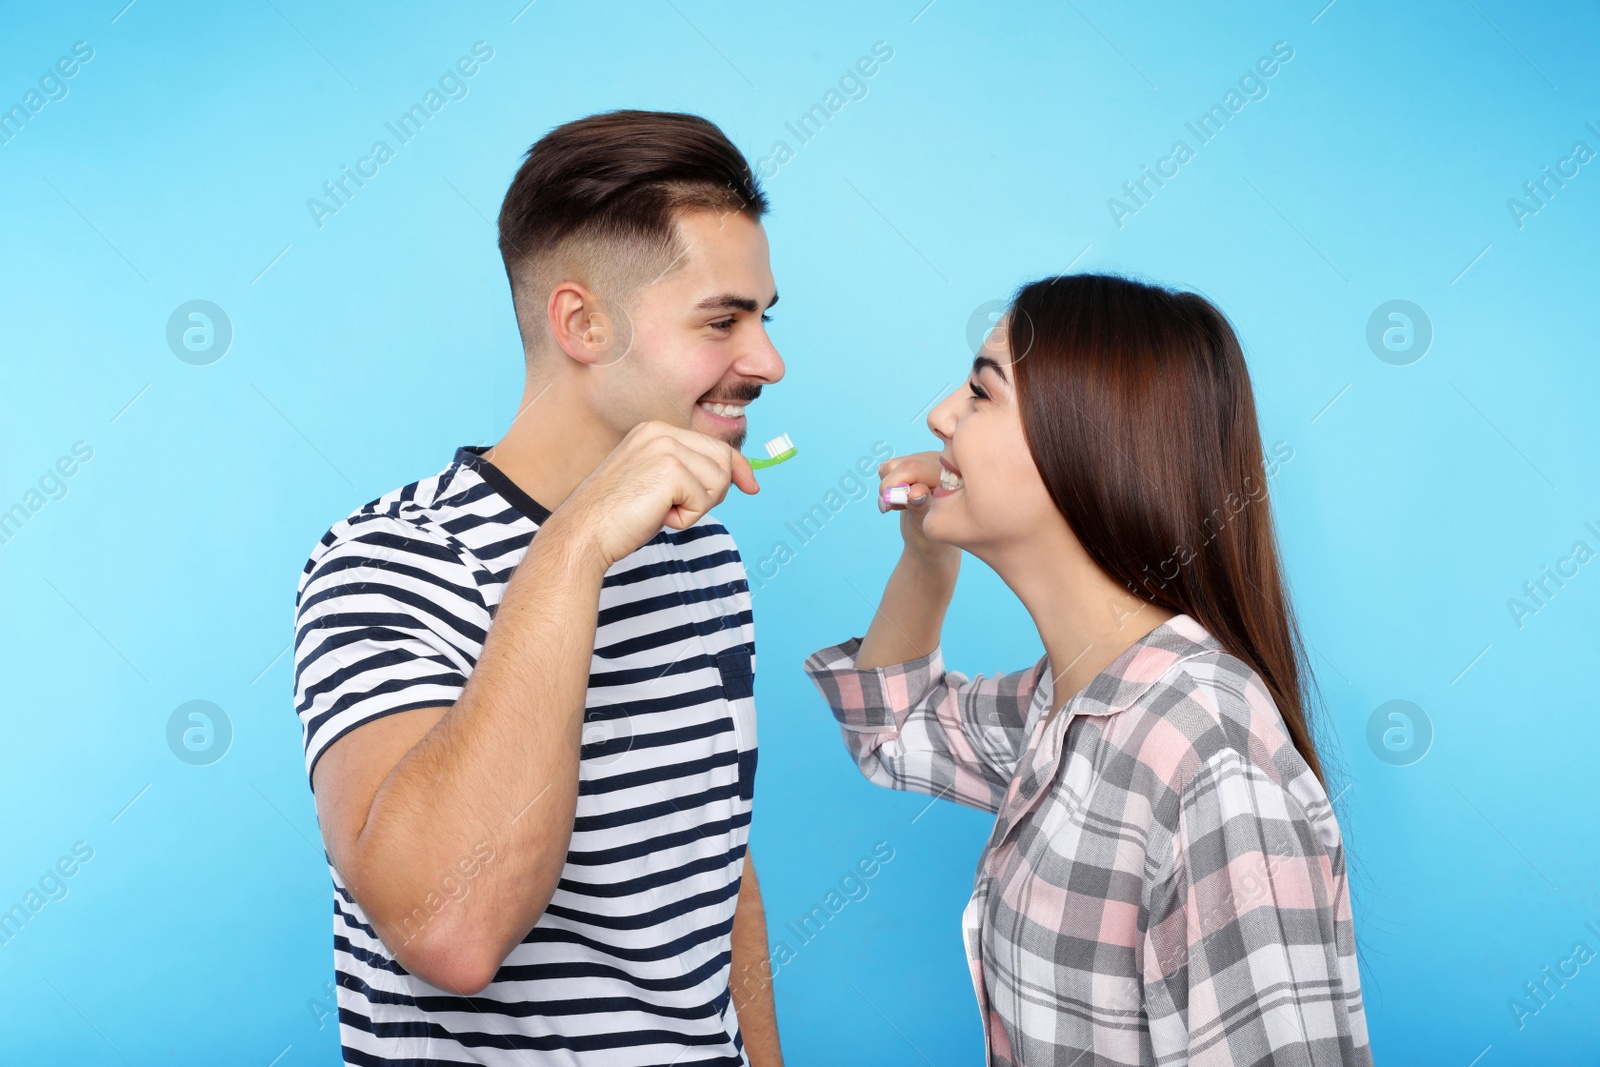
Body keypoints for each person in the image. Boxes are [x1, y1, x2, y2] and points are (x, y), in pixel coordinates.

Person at [292, 110, 785, 1066]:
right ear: (583, 323)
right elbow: (451, 933)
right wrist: (573, 551)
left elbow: (716, 869)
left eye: (766, 318)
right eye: (724, 320)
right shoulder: (386, 563)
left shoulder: (706, 558)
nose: (767, 361)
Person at [802, 273, 1373, 1066]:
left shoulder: (1206, 757)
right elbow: (892, 729)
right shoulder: (1071, 700)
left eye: (979, 392)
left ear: (1088, 440)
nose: (939, 415)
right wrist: (925, 557)